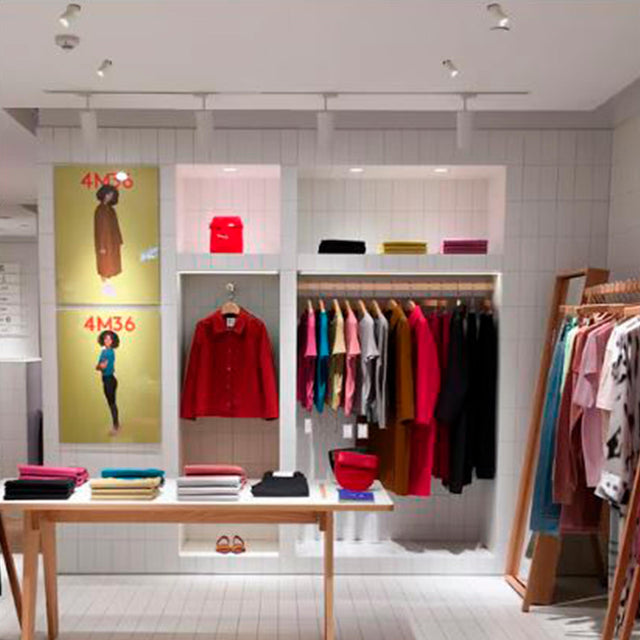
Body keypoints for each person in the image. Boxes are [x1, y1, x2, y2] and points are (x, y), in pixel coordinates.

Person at [94, 184, 123, 296]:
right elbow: (99, 229)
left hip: (113, 241)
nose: (110, 196)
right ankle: (106, 287)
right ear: (104, 194)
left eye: (112, 194)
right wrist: (101, 245)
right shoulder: (100, 210)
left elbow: (116, 226)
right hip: (105, 242)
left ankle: (109, 285)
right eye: (108, 194)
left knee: (112, 263)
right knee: (104, 264)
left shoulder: (111, 210)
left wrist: (119, 240)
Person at [96, 330, 121, 436]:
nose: (107, 340)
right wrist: (99, 366)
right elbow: (101, 366)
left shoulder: (107, 352)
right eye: (106, 338)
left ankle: (116, 426)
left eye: (109, 339)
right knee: (112, 403)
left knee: (112, 404)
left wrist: (98, 366)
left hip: (109, 380)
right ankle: (116, 424)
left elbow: (101, 367)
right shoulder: (106, 351)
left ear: (113, 341)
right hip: (109, 379)